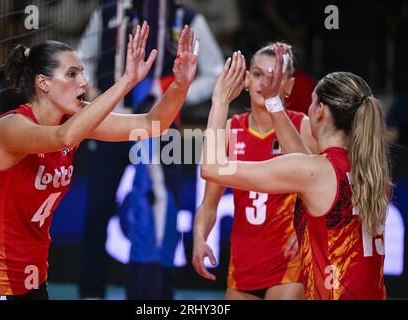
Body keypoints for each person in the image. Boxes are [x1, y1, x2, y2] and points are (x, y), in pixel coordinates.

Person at [0, 21, 198, 300]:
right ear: (43, 83)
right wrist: (126, 81)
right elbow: (64, 137)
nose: (83, 83)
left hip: (34, 278)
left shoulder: (74, 120)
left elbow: (152, 123)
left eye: (82, 73)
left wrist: (181, 85)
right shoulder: (10, 128)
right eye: (72, 74)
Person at [201, 47, 389, 300]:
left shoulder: (313, 171)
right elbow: (304, 160)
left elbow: (211, 168)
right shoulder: (373, 172)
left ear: (320, 111)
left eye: (312, 101)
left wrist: (221, 100)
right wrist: (273, 102)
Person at [77, 0, 224, 300]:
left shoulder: (186, 18)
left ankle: (160, 294)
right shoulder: (106, 15)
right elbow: (81, 65)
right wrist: (96, 99)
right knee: (98, 209)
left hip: (160, 126)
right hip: (109, 122)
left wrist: (174, 93)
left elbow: (214, 71)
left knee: (164, 206)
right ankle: (92, 292)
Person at [192, 43, 316, 300]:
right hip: (244, 265)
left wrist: (308, 230)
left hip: (289, 262)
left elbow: (321, 189)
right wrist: (199, 238)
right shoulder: (229, 129)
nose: (264, 83)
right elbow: (209, 204)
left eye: (274, 77)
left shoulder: (302, 126)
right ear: (246, 79)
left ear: (289, 86)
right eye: (258, 74)